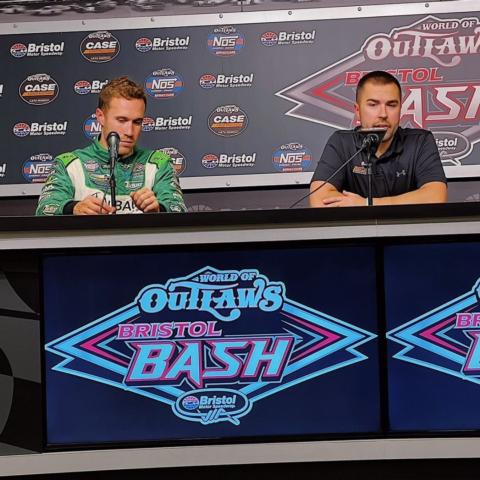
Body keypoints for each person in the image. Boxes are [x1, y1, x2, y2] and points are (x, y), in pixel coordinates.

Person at [36, 76, 186, 215]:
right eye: (121, 120)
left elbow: (178, 209)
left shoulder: (159, 163)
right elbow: (45, 209)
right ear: (101, 117)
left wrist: (159, 209)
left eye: (137, 122)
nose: (129, 131)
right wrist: (73, 208)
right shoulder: (68, 164)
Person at [309, 71, 447, 207]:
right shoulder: (341, 142)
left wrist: (366, 204)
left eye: (391, 105)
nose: (383, 114)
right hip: (357, 229)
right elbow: (319, 199)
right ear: (357, 110)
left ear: (400, 109)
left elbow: (436, 196)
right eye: (373, 104)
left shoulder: (420, 141)